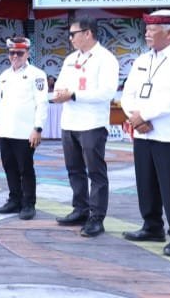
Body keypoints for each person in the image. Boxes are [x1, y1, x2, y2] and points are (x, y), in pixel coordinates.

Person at [121, 9, 170, 257]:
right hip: (144, 133)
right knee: (146, 183)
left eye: (152, 30)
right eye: (146, 29)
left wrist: (145, 115)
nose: (147, 34)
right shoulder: (142, 60)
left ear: (169, 33)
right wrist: (135, 117)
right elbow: (128, 92)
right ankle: (152, 226)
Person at [52, 15, 119, 237]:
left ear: (88, 33)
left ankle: (96, 217)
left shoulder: (105, 59)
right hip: (70, 121)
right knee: (74, 169)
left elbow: (106, 92)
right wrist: (61, 93)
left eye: (74, 34)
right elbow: (60, 84)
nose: (70, 38)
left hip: (92, 123)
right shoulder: (70, 59)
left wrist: (74, 95)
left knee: (95, 172)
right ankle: (80, 209)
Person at [0, 38, 48, 219]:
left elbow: (42, 103)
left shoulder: (36, 74)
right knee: (9, 167)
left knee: (26, 169)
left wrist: (38, 128)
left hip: (25, 132)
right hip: (6, 130)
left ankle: (28, 203)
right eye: (12, 53)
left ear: (27, 54)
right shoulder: (4, 75)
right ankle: (14, 200)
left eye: (20, 53)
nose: (15, 56)